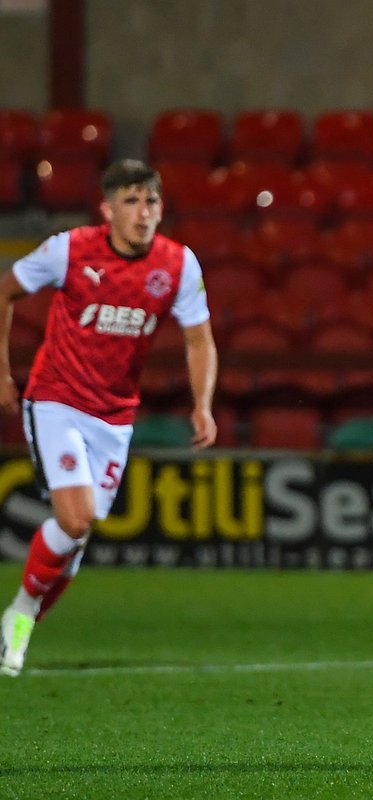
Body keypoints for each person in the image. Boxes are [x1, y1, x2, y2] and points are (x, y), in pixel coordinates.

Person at [0, 159, 218, 676]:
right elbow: (5, 289)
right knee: (75, 518)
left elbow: (198, 338)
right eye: (131, 201)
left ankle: (18, 619)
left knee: (78, 533)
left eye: (152, 202)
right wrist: (2, 372)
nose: (144, 213)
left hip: (115, 417)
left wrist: (202, 403)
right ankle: (20, 617)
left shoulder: (179, 265)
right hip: (56, 399)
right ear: (107, 208)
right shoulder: (70, 250)